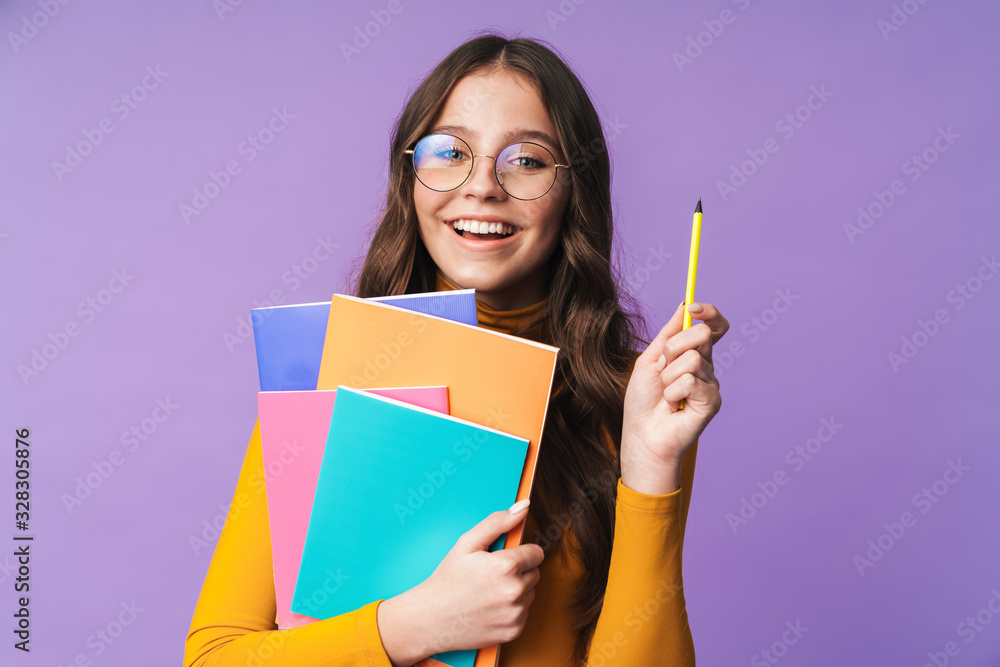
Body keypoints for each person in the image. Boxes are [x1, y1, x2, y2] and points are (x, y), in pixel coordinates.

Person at [185, 32, 727, 667]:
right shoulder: (327, 377)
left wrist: (651, 464)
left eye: (526, 160)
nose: (482, 186)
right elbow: (214, 658)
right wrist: (409, 627)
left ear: (575, 189)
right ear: (410, 174)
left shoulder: (634, 404)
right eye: (450, 152)